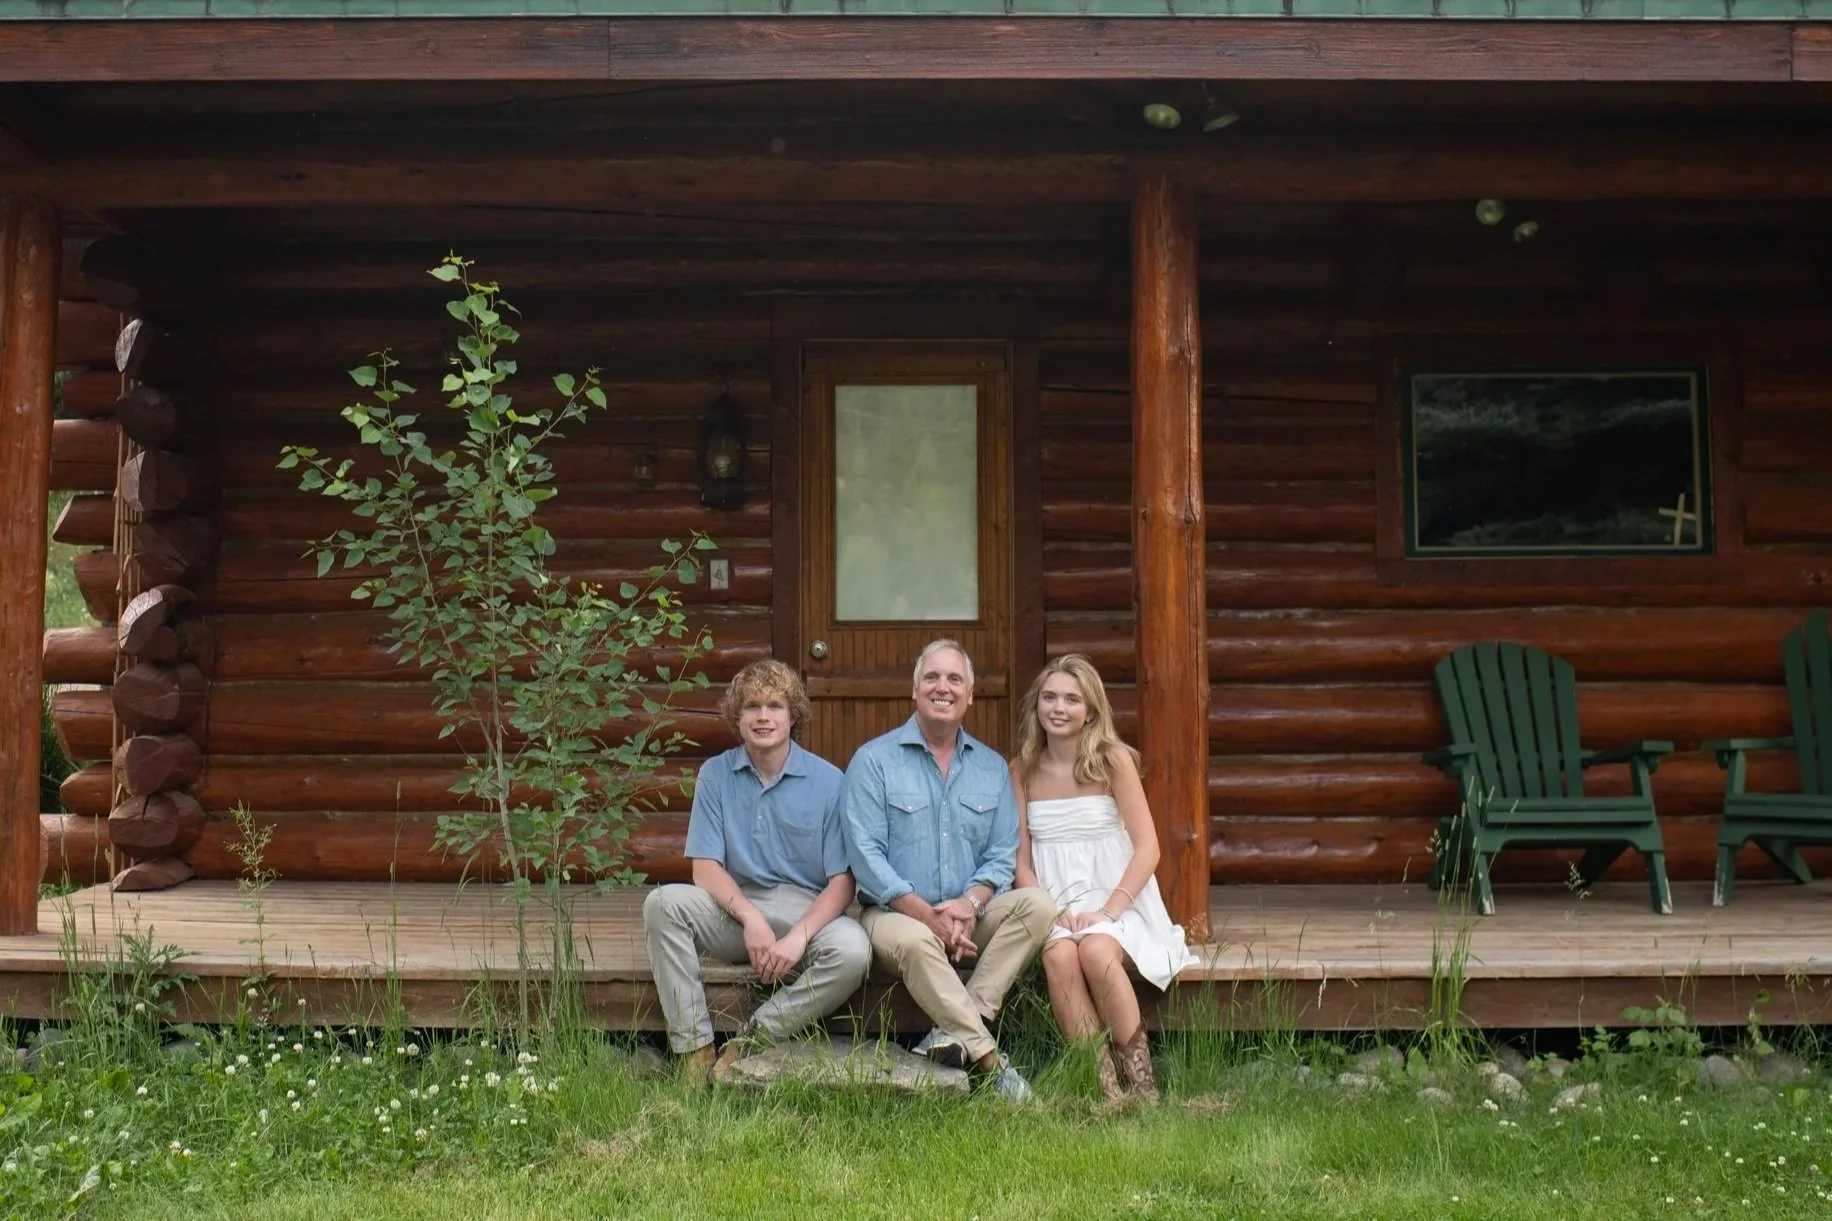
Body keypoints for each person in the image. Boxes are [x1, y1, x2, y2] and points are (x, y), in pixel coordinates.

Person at [842, 639, 1055, 1102]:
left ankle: (952, 1033)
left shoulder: (991, 768)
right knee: (917, 941)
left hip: (967, 916)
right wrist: (927, 915)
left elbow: (1002, 852)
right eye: (932, 678)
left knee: (1038, 905)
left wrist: (969, 904)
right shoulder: (873, 761)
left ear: (970, 695)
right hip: (894, 916)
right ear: (915, 690)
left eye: (955, 679)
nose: (944, 687)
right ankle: (992, 1062)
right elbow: (866, 857)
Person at [643, 659, 871, 1083]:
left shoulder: (829, 781)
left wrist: (798, 937)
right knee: (662, 903)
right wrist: (750, 918)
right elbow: (705, 868)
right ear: (737, 716)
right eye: (752, 706)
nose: (763, 716)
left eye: (774, 706)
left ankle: (752, 1039)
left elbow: (843, 882)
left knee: (854, 950)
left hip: (806, 913)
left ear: (793, 716)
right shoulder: (716, 774)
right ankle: (695, 1049)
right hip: (736, 910)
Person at [1011, 653, 1199, 1107]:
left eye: (1071, 699)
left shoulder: (1112, 761)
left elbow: (1148, 847)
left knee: (1095, 950)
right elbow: (1020, 861)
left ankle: (1143, 1087)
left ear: (1091, 710)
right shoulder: (1021, 769)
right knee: (1059, 955)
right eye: (1049, 697)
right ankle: (1105, 1089)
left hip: (1117, 900)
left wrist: (1107, 911)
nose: (1059, 707)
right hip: (1054, 902)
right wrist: (1050, 911)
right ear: (1036, 705)